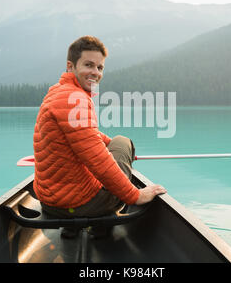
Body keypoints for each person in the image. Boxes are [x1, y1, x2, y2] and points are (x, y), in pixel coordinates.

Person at [33, 36, 166, 237]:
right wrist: (135, 195)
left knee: (112, 144)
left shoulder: (58, 92)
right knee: (123, 142)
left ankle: (71, 227)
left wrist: (106, 143)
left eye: (100, 67)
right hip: (76, 205)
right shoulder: (74, 99)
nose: (95, 72)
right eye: (89, 65)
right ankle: (99, 226)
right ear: (71, 66)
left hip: (50, 203)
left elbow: (87, 135)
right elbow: (97, 158)